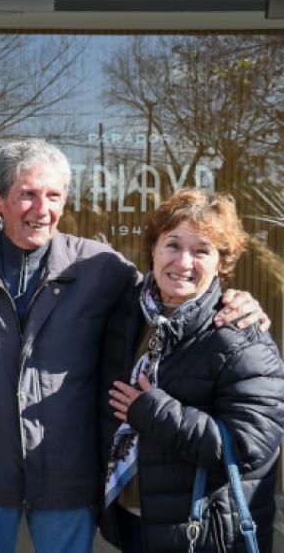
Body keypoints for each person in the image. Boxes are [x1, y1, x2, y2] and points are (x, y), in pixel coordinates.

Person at [0, 140, 269, 553]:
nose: (41, 208)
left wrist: (237, 298)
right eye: (27, 194)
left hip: (68, 479)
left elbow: (171, 289)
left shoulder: (99, 268)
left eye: (53, 196)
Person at [99, 189, 284, 553]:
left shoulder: (243, 338)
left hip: (203, 533)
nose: (183, 262)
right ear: (153, 249)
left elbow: (250, 447)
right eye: (172, 245)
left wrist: (153, 412)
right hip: (132, 521)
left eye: (201, 251)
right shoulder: (127, 315)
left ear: (221, 263)